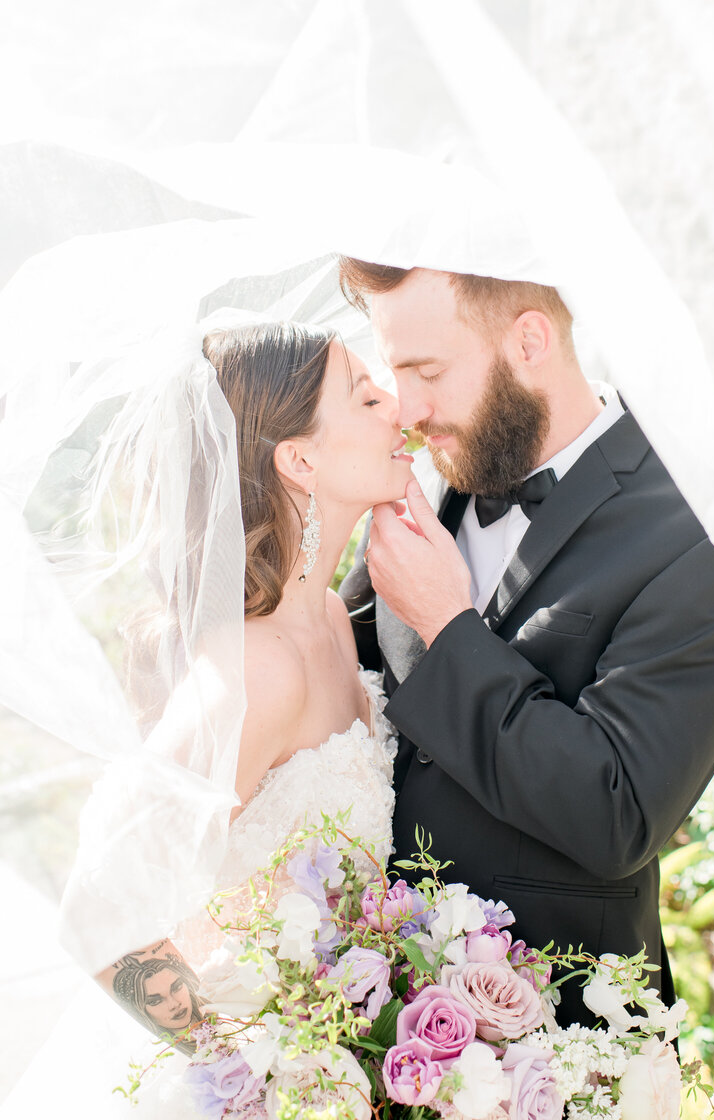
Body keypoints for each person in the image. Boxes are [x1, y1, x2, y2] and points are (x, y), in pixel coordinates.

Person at [337, 259, 714, 1029]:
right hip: (370, 1019)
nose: (407, 406)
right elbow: (344, 681)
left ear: (530, 341)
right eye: (393, 370)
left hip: (562, 1039)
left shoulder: (706, 528)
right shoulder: (430, 476)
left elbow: (619, 812)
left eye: (427, 369)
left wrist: (448, 629)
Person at [9, 320, 412, 1116]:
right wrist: (258, 1071)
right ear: (299, 459)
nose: (395, 408)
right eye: (366, 396)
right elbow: (99, 911)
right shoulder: (255, 670)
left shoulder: (331, 619)